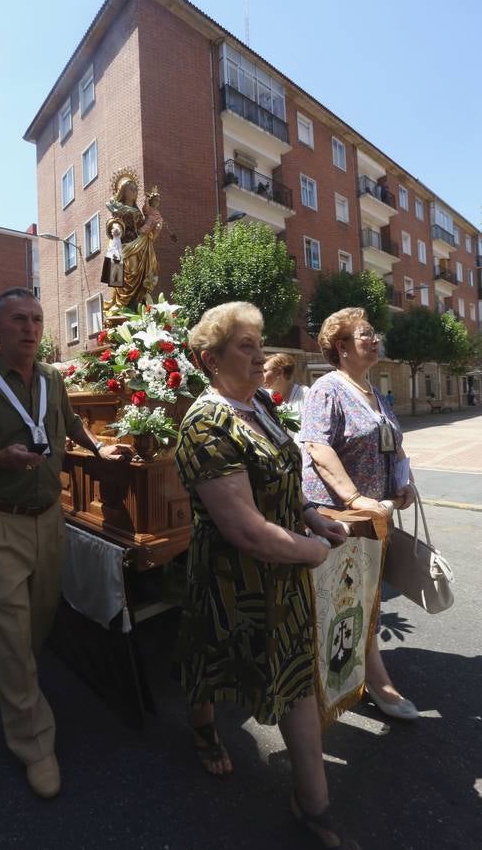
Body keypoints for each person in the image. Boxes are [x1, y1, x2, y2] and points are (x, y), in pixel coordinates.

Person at [0, 288, 132, 799]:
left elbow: (69, 424)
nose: (31, 327)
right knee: (14, 637)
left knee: (36, 626)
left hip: (47, 521)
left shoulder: (51, 378)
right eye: (19, 318)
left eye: (36, 319)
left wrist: (96, 445)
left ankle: (20, 690)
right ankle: (33, 741)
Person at [175, 301, 361, 850]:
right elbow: (247, 531)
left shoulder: (258, 403)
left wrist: (310, 517)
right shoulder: (205, 423)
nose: (261, 355)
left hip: (284, 571)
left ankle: (313, 804)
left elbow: (282, 479)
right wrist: (310, 552)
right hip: (231, 580)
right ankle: (204, 730)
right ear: (211, 359)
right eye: (246, 347)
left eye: (260, 343)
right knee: (210, 661)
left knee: (296, 681)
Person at [300, 307, 417, 721]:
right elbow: (316, 446)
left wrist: (404, 483)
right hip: (337, 518)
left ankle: (357, 673)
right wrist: (352, 498)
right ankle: (365, 680)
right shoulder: (328, 388)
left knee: (367, 596)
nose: (374, 338)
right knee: (343, 598)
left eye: (373, 332)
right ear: (341, 346)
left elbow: (393, 444)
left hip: (375, 516)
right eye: (364, 333)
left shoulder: (373, 391)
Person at [104, 167, 160, 312]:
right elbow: (114, 221)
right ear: (123, 190)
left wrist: (155, 229)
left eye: (135, 189)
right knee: (129, 272)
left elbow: (144, 229)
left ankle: (139, 303)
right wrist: (116, 229)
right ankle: (124, 305)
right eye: (131, 189)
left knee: (141, 278)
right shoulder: (118, 207)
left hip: (140, 245)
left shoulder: (137, 211)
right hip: (125, 246)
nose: (134, 191)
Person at [263, 352, 310, 418]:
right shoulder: (265, 396)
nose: (261, 375)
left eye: (265, 371)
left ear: (279, 372)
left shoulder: (304, 393)